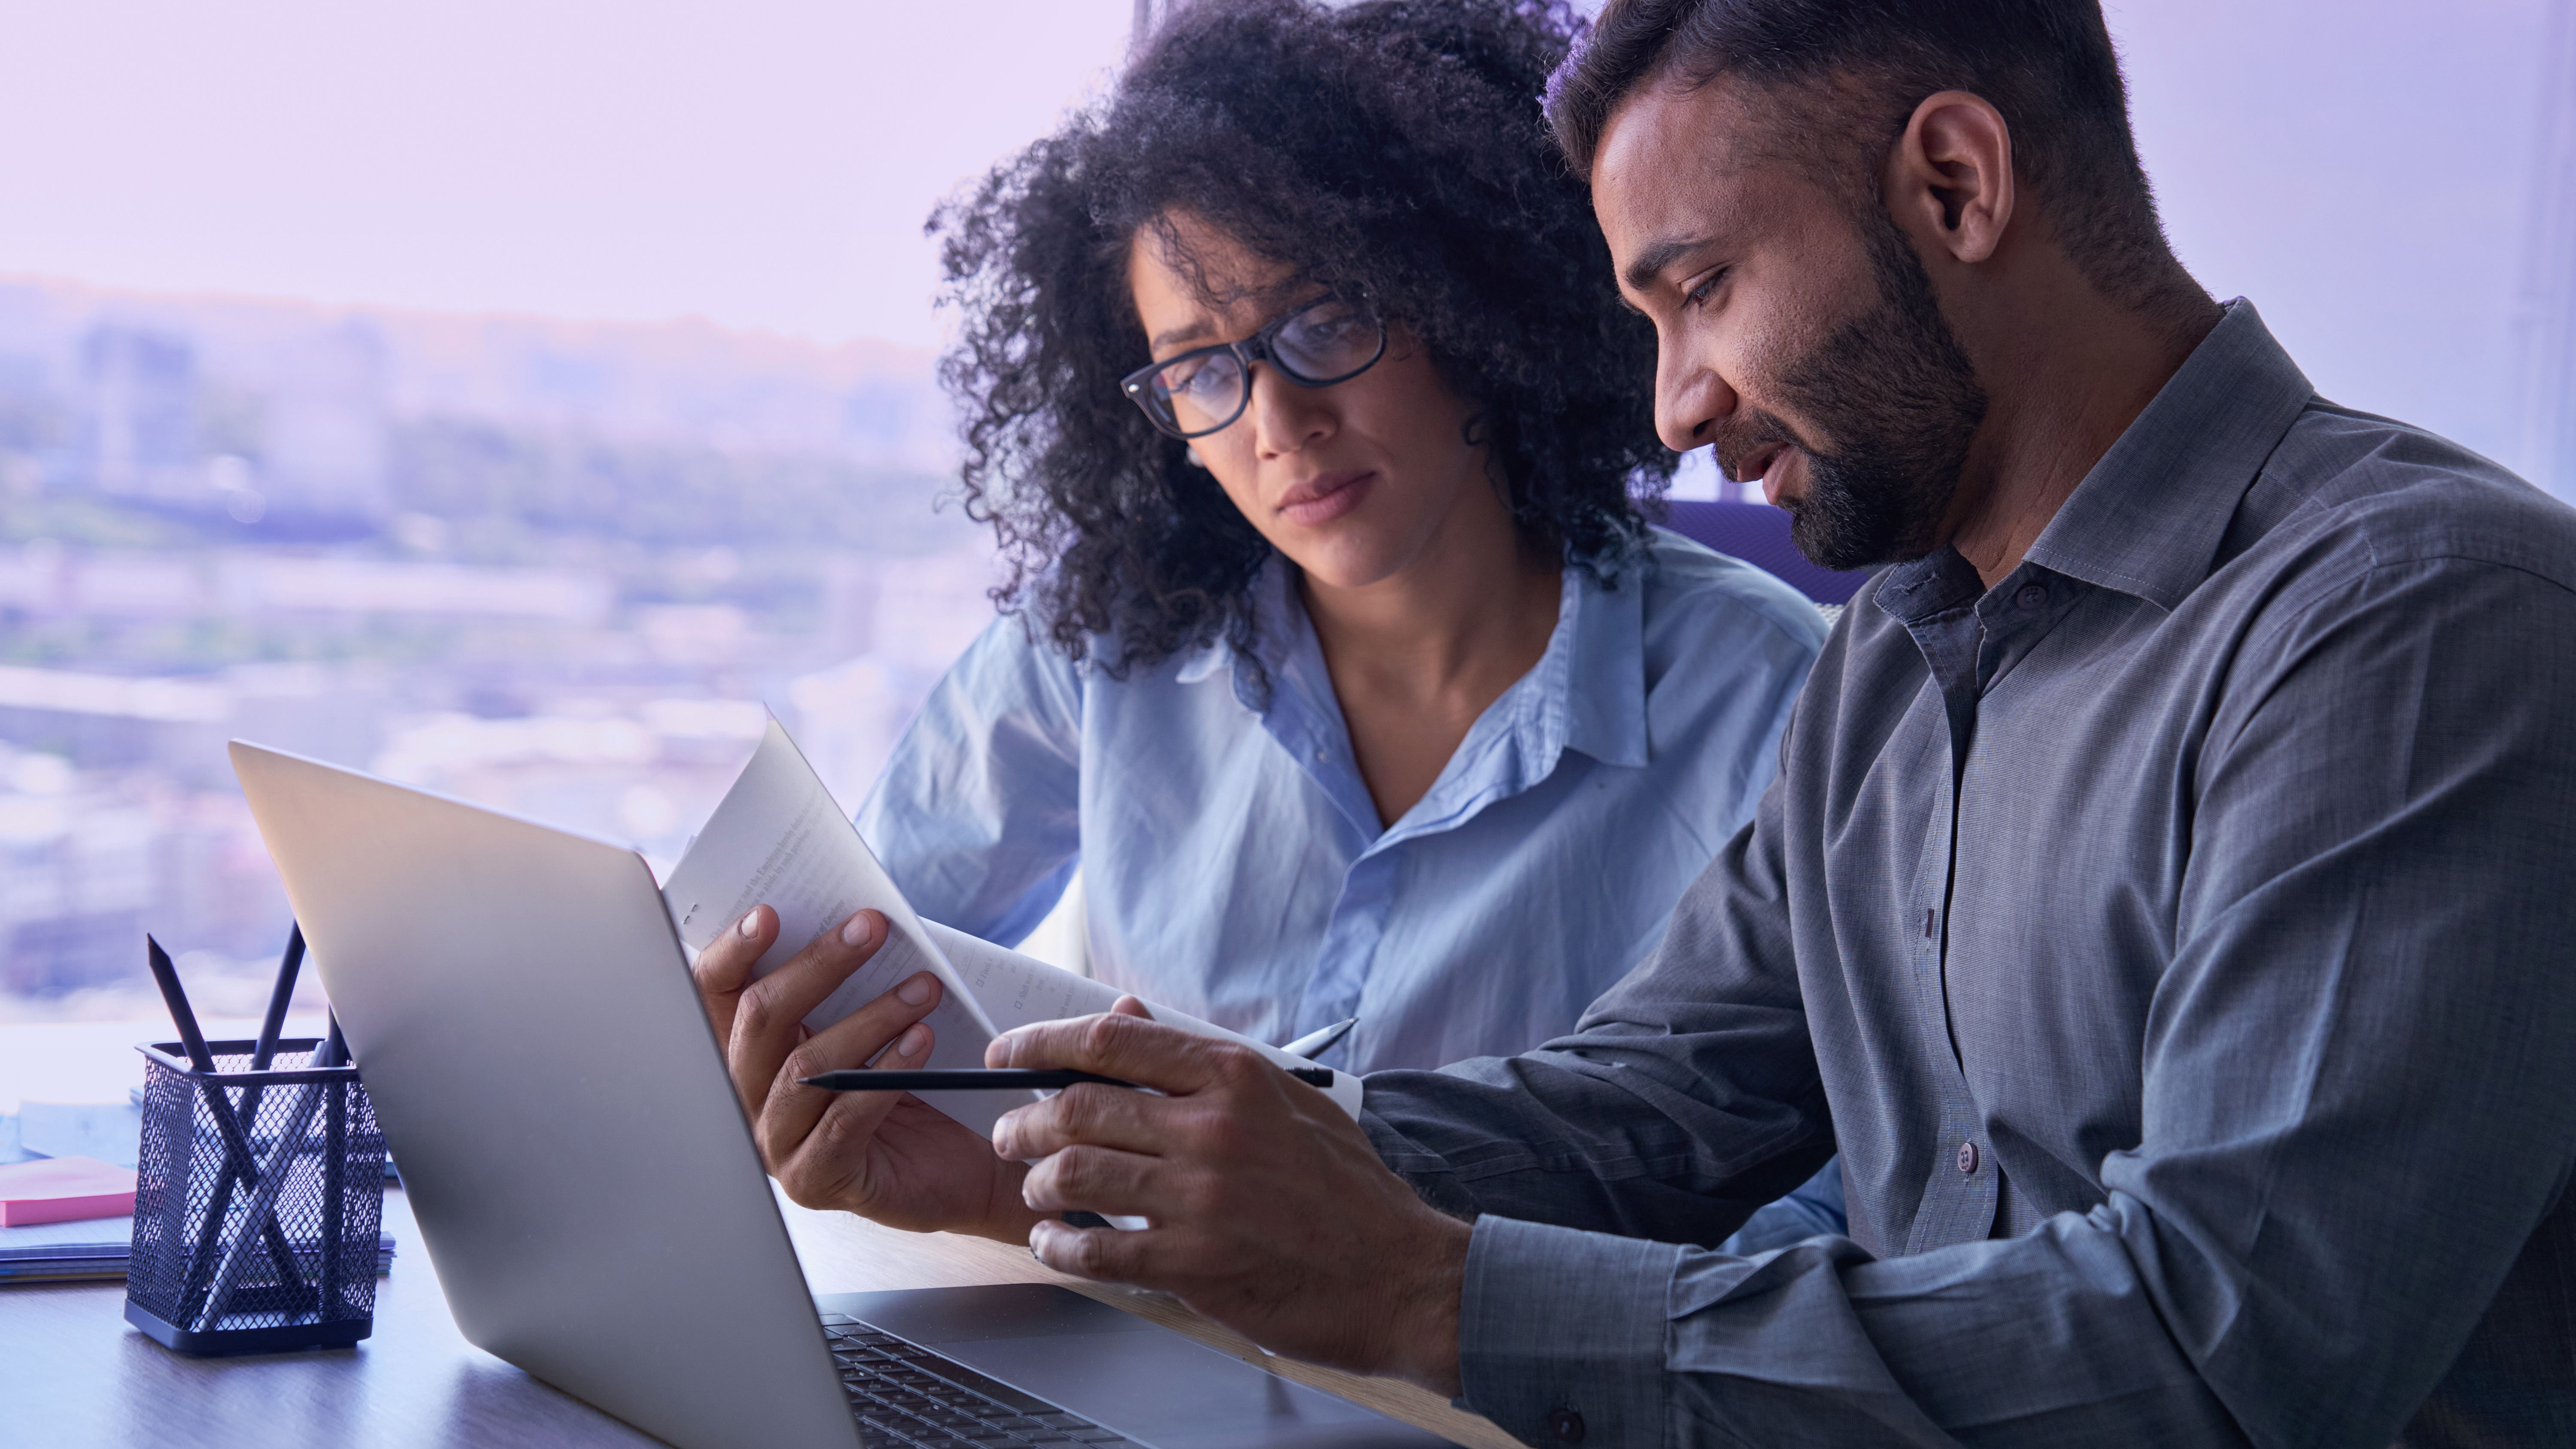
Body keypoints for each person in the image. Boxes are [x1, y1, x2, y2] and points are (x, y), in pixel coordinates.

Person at [702, 0, 2576, 1441]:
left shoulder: (2417, 621)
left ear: (1957, 186)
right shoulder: (1904, 661)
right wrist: (1077, 1180)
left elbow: (2223, 1359)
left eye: (1701, 291)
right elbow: (1645, 1108)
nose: (1671, 405)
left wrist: (1433, 1296)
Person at [838, 0, 1842, 1242]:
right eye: (1201, 367)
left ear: (1474, 303)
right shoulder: (1102, 644)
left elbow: (1849, 1210)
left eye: (1324, 322)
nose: (1277, 422)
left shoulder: (1779, 703)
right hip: (1133, 1346)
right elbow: (859, 949)